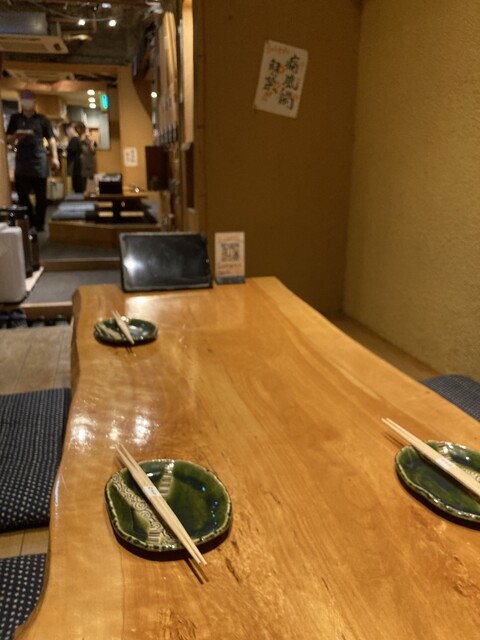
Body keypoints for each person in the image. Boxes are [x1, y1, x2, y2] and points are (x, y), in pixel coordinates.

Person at [5, 90, 60, 232]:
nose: (27, 102)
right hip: (22, 160)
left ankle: (40, 223)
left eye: (29, 99)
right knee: (22, 193)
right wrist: (16, 136)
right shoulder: (15, 118)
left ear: (34, 101)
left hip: (39, 159)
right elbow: (7, 139)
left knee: (41, 196)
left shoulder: (42, 119)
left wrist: (55, 157)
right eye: (24, 99)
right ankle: (30, 219)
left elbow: (51, 139)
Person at [67, 122, 97, 194]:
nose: (87, 133)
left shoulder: (90, 142)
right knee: (80, 187)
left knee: (88, 187)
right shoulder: (78, 140)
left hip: (88, 166)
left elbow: (93, 152)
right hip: (81, 167)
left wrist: (89, 142)